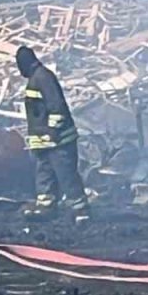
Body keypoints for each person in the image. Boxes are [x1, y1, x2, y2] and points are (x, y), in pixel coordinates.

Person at [16, 45, 89, 223]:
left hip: (58, 141)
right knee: (44, 175)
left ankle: (80, 211)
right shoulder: (36, 78)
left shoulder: (43, 78)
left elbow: (56, 107)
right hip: (45, 143)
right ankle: (46, 206)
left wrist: (52, 132)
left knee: (66, 175)